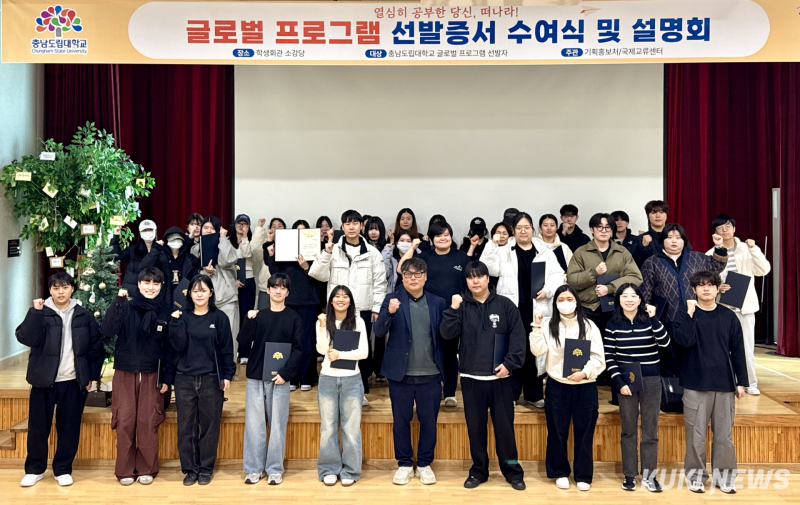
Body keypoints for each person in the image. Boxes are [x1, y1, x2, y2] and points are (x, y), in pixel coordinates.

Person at [440, 262, 527, 491]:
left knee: (505, 431)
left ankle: (513, 471)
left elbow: (518, 339)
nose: (475, 281)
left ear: (488, 278)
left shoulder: (505, 305)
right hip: (471, 378)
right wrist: (453, 309)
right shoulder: (461, 305)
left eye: (479, 276)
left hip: (501, 380)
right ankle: (478, 470)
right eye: (471, 277)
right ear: (466, 281)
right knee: (476, 430)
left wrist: (509, 364)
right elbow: (447, 334)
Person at [16, 272, 104, 488]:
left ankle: (63, 469)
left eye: (65, 287)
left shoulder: (83, 315)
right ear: (50, 291)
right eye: (56, 288)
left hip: (73, 381)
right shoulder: (41, 312)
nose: (61, 292)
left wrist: (90, 376)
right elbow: (25, 337)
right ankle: (34, 469)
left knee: (69, 428)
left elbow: (96, 348)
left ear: (72, 289)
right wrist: (35, 313)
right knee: (38, 428)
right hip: (43, 380)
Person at [672, 271, 748, 494]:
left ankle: (724, 478)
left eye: (710, 285)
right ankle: (696, 477)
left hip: (724, 385)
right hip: (695, 384)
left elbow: (738, 351)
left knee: (724, 437)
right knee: (696, 436)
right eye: (701, 285)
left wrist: (741, 382)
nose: (706, 289)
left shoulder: (729, 316)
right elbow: (684, 341)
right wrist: (690, 314)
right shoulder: (684, 313)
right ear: (694, 289)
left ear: (717, 289)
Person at [374, 258, 447, 486]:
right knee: (401, 421)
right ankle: (404, 463)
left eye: (418, 274)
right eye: (408, 274)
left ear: (425, 276)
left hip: (430, 373)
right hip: (400, 374)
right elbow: (378, 331)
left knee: (429, 422)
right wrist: (389, 313)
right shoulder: (392, 299)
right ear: (402, 277)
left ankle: (424, 463)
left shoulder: (438, 302)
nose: (413, 278)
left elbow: (446, 335)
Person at [480, 212, 563, 407]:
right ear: (513, 230)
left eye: (527, 227)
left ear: (533, 229)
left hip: (537, 309)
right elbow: (488, 268)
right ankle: (512, 393)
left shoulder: (543, 250)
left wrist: (548, 290)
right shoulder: (505, 250)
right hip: (512, 309)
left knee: (535, 351)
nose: (523, 231)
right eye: (519, 228)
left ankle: (534, 394)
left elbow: (558, 274)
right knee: (513, 349)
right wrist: (492, 244)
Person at [529, 285, 605, 491]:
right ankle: (559, 472)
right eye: (561, 299)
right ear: (555, 303)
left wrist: (584, 373)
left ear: (576, 301)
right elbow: (537, 351)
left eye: (569, 299)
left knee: (585, 431)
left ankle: (583, 475)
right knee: (557, 430)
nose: (565, 303)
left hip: (584, 386)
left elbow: (599, 358)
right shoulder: (548, 325)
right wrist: (536, 327)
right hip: (557, 386)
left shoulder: (589, 326)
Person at [309, 209, 388, 405]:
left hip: (363, 309)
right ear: (342, 227)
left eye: (355, 223)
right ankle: (338, 390)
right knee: (336, 349)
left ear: (361, 226)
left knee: (360, 351)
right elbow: (317, 274)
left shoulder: (372, 252)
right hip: (338, 310)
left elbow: (380, 282)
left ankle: (360, 391)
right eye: (347, 223)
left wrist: (377, 307)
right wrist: (326, 253)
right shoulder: (333, 250)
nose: (351, 227)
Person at [101, 268, 171, 486]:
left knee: (148, 422)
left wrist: (167, 378)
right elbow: (107, 329)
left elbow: (170, 348)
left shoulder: (166, 310)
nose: (151, 287)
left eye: (155, 283)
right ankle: (124, 470)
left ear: (161, 286)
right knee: (124, 420)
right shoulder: (126, 306)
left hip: (152, 373)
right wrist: (117, 302)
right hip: (125, 372)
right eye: (146, 282)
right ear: (139, 284)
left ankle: (147, 468)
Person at [166, 274, 235, 486]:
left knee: (209, 426)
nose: (199, 295)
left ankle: (205, 468)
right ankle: (189, 469)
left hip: (211, 379)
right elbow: (176, 347)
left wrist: (227, 375)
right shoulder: (182, 316)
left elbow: (227, 349)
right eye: (195, 291)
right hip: (184, 379)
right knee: (185, 427)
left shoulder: (219, 318)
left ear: (211, 293)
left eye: (203, 290)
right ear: (190, 294)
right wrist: (175, 323)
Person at [237, 273, 304, 486]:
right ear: (268, 290)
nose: (278, 291)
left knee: (277, 425)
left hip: (281, 379)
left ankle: (274, 469)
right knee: (254, 425)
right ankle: (254, 469)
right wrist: (248, 319)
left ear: (287, 292)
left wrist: (286, 373)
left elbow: (300, 349)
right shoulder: (259, 316)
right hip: (256, 377)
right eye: (274, 287)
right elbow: (243, 342)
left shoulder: (294, 318)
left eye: (282, 288)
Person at [603, 283, 670, 492]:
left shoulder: (649, 320)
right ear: (619, 300)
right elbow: (609, 357)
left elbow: (665, 343)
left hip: (651, 380)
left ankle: (650, 476)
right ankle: (629, 475)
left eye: (634, 296)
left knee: (650, 430)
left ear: (640, 300)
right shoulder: (612, 324)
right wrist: (620, 383)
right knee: (628, 430)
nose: (629, 300)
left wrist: (654, 318)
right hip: (626, 382)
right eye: (625, 296)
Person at [399, 222, 470, 408]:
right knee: (431, 352)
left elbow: (470, 283)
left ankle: (450, 393)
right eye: (438, 235)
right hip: (427, 313)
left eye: (446, 235)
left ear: (451, 236)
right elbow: (401, 269)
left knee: (450, 354)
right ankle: (433, 390)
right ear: (431, 239)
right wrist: (412, 247)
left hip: (453, 314)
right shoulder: (425, 257)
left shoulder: (461, 257)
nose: (443, 238)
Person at [707, 214, 771, 395]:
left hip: (745, 307)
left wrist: (754, 249)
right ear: (715, 232)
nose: (724, 230)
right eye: (720, 227)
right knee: (721, 347)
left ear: (734, 228)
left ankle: (750, 383)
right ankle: (724, 382)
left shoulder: (747, 248)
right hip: (723, 308)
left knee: (746, 347)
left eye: (728, 225)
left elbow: (763, 270)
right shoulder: (711, 254)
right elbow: (706, 281)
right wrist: (717, 286)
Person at [315, 286, 368, 486]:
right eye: (337, 296)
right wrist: (322, 326)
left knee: (351, 428)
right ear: (331, 301)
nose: (341, 299)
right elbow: (322, 349)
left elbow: (364, 352)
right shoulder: (323, 321)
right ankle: (328, 469)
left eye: (345, 296)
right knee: (328, 427)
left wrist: (340, 355)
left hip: (351, 380)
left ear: (350, 302)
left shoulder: (358, 322)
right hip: (328, 379)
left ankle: (351, 471)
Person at [262, 221, 320, 392]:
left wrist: (306, 267)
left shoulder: (315, 250)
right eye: (297, 232)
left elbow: (321, 276)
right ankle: (291, 376)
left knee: (307, 341)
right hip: (288, 301)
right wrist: (270, 251)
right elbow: (275, 273)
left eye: (304, 232)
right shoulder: (283, 248)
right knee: (288, 340)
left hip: (309, 301)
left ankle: (306, 377)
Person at [640, 224, 727, 332]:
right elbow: (644, 294)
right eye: (669, 237)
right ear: (662, 240)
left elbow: (716, 266)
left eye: (678, 237)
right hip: (666, 322)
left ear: (684, 241)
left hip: (696, 319)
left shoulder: (696, 258)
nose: (674, 241)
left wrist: (719, 247)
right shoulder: (652, 262)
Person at [566, 212, 643, 336]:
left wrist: (610, 288)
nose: (604, 231)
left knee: (614, 344)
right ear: (592, 229)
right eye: (599, 227)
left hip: (616, 308)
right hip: (588, 309)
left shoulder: (622, 252)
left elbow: (635, 277)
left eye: (608, 227)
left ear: (612, 231)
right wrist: (594, 273)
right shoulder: (581, 252)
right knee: (587, 344)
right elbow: (572, 280)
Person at [199, 216, 241, 363]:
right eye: (206, 228)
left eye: (213, 228)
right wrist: (207, 272)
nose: (209, 231)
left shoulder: (226, 243)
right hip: (204, 299)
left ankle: (229, 367)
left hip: (226, 297)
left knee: (229, 334)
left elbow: (227, 260)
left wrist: (222, 239)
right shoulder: (196, 247)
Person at [111, 219, 172, 309]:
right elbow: (116, 257)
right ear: (140, 233)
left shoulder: (162, 251)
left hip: (154, 296)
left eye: (150, 230)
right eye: (145, 230)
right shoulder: (132, 250)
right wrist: (116, 237)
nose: (148, 233)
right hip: (132, 295)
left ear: (155, 232)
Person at [364, 215, 393, 381]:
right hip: (367, 296)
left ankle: (380, 369)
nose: (373, 232)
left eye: (376, 229)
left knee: (381, 335)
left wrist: (388, 250)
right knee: (366, 335)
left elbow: (387, 273)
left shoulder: (386, 248)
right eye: (370, 229)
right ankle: (367, 369)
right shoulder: (362, 247)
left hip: (384, 295)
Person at [231, 215, 263, 348]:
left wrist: (244, 237)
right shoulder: (228, 241)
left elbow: (246, 254)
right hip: (231, 280)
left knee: (247, 315)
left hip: (248, 280)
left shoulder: (251, 241)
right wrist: (233, 280)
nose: (241, 226)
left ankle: (245, 350)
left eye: (245, 224)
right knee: (234, 315)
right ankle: (234, 347)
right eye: (239, 223)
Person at [633, 200, 670, 267]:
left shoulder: (676, 238)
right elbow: (633, 264)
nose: (658, 216)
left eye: (661, 212)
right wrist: (642, 247)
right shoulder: (639, 239)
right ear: (648, 216)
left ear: (666, 216)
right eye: (653, 212)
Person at [488, 222, 514, 290]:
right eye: (498, 233)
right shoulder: (488, 247)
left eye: (505, 234)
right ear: (492, 236)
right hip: (490, 284)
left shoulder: (513, 251)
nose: (501, 236)